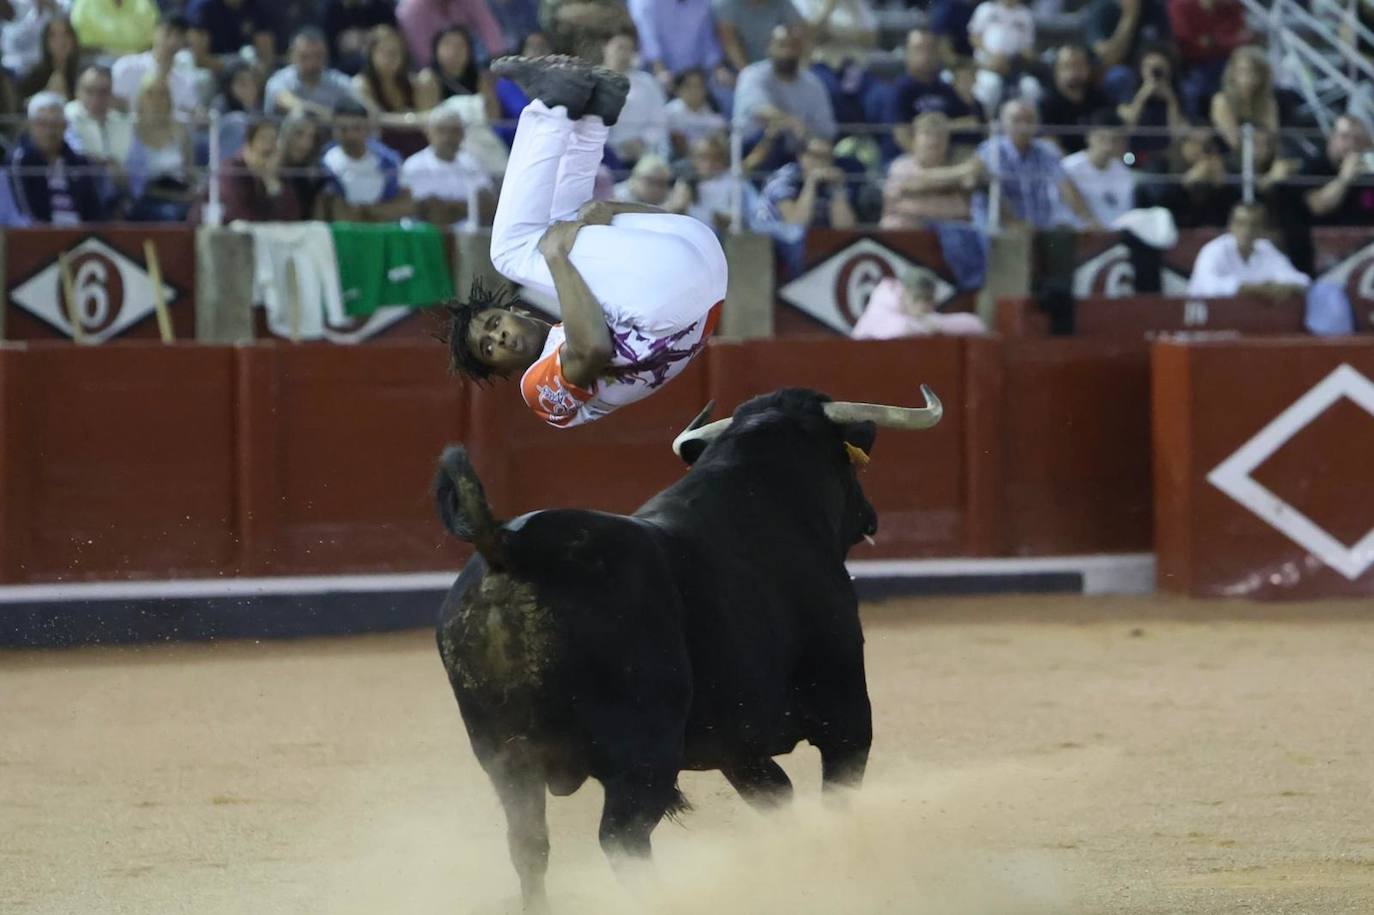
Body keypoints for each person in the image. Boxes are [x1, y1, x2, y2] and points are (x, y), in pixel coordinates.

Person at [443, 55, 727, 429]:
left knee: (569, 219)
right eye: (489, 348)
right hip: (680, 287)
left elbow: (599, 220)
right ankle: (553, 106)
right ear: (499, 370)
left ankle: (596, 112)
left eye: (495, 324)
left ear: (521, 311)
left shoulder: (577, 314)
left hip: (705, 266)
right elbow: (593, 348)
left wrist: (609, 210)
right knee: (511, 253)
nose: (501, 338)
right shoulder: (536, 390)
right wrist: (557, 256)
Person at [1182, 200, 1357, 337]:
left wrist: (1282, 288)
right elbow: (1210, 287)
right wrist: (1258, 289)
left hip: (1252, 327)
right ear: (1231, 225)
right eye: (1241, 223)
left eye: (1253, 224)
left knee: (1326, 290)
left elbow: (1300, 280)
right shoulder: (1214, 250)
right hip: (1207, 326)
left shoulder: (1265, 249)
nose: (1247, 230)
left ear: (1262, 229)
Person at [973, 98, 1098, 230]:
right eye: (1016, 120)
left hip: (1038, 231)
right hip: (1001, 230)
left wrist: (1088, 219)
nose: (1023, 126)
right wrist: (1015, 224)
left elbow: (1066, 186)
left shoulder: (1046, 151)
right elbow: (991, 192)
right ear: (1003, 123)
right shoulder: (990, 151)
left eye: (1029, 120)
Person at [732, 25, 836, 166]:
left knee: (850, 164)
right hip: (755, 149)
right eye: (781, 45)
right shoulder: (752, 74)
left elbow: (826, 129)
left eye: (792, 46)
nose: (787, 52)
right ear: (769, 48)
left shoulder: (813, 83)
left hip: (799, 152)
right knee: (775, 134)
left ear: (800, 49)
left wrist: (814, 141)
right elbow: (760, 110)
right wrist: (793, 123)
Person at [9, 91, 105, 223]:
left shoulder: (79, 163)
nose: (50, 131)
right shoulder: (21, 161)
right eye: (43, 124)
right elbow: (23, 210)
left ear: (65, 126)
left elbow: (93, 210)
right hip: (40, 236)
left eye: (55, 125)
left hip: (81, 236)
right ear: (31, 126)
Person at [880, 111, 981, 229]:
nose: (934, 140)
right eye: (927, 134)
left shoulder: (955, 164)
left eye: (940, 134)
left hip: (950, 232)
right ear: (914, 139)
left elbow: (965, 205)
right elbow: (917, 183)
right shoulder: (901, 165)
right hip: (906, 231)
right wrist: (960, 174)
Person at [399, 103, 495, 224]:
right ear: (429, 132)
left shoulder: (472, 162)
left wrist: (450, 208)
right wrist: (467, 206)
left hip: (468, 237)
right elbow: (427, 212)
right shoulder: (414, 165)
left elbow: (487, 204)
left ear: (462, 134)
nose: (447, 137)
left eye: (454, 131)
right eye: (441, 130)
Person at [320, 97, 412, 220]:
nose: (350, 135)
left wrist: (370, 212)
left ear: (368, 128)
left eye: (356, 128)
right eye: (343, 129)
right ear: (333, 129)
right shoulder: (324, 162)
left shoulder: (389, 160)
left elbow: (407, 204)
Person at [1166, 0, 1255, 118]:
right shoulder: (1180, 5)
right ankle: (1195, 125)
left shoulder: (1232, 6)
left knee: (1246, 73)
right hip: (1189, 64)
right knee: (1193, 88)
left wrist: (1213, 41)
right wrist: (1223, 41)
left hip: (1225, 62)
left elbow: (1245, 38)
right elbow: (1187, 44)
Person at [124, 77, 197, 221]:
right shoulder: (130, 131)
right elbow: (133, 182)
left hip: (181, 194)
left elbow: (190, 173)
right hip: (146, 197)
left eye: (162, 94)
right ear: (141, 99)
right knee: (170, 215)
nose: (157, 100)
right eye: (151, 94)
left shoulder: (181, 131)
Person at [352, 24, 427, 156]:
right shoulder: (362, 84)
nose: (391, 58)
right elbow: (377, 120)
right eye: (385, 53)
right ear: (371, 54)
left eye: (396, 53)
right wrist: (412, 119)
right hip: (381, 150)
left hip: (417, 149)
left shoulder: (414, 83)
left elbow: (427, 120)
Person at [600, 25, 667, 162]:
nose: (624, 54)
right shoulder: (592, 81)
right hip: (603, 153)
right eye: (619, 48)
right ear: (604, 47)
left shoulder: (647, 82)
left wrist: (642, 141)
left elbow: (660, 121)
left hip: (642, 151)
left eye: (629, 49)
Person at [851, 269, 985, 338]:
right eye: (918, 298)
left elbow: (976, 325)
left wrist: (936, 324)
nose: (924, 306)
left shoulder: (919, 317)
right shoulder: (882, 304)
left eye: (929, 299)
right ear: (904, 294)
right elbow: (902, 329)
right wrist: (929, 325)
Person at [111, 15, 200, 119]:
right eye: (168, 33)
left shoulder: (185, 80)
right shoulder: (127, 67)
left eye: (179, 36)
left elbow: (193, 113)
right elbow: (112, 105)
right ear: (155, 31)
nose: (172, 41)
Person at [64, 64, 132, 196]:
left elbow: (135, 165)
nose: (96, 98)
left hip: (122, 196)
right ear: (77, 92)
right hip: (79, 193)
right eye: (89, 91)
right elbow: (73, 155)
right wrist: (106, 164)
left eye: (103, 92)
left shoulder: (123, 122)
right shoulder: (66, 117)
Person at [1209, 46, 1293, 152]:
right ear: (1232, 72)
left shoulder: (1267, 102)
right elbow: (1234, 144)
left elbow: (1273, 141)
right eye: (1242, 71)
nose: (1248, 78)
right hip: (1231, 161)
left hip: (1263, 159)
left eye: (1255, 72)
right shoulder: (1221, 101)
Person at [219, 117, 304, 221]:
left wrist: (272, 183)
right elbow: (239, 215)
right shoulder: (232, 170)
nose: (269, 145)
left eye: (273, 139)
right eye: (263, 138)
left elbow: (293, 217)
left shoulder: (278, 172)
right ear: (249, 142)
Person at [1060, 109, 1133, 226]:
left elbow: (1124, 213)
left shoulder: (1123, 172)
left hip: (1115, 236)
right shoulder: (1067, 169)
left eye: (1115, 140)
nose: (1108, 146)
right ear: (1089, 136)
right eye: (1102, 138)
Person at [265, 27, 358, 117]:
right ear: (291, 55)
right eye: (304, 57)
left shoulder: (340, 83)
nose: (311, 63)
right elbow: (287, 102)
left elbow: (361, 111)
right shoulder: (279, 80)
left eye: (318, 56)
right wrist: (330, 115)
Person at [1301, 114, 1374, 226]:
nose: (1351, 144)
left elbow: (1368, 203)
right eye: (1344, 137)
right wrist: (1344, 178)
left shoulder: (1366, 170)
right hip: (1324, 233)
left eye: (1357, 139)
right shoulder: (1314, 165)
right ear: (1332, 138)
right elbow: (1318, 206)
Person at [1037, 44, 1110, 155]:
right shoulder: (1047, 103)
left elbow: (1110, 133)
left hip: (1095, 163)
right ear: (1056, 70)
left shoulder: (1100, 98)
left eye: (1078, 65)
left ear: (1088, 68)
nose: (1073, 72)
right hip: (1061, 164)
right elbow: (1048, 140)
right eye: (1067, 66)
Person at [1115, 45, 1183, 164]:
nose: (1154, 71)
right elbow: (1126, 126)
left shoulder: (1178, 94)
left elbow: (1178, 136)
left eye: (1159, 67)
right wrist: (1143, 95)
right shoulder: (1130, 92)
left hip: (1167, 157)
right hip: (1132, 156)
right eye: (1148, 66)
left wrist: (1171, 101)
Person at [628, 0, 722, 85]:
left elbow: (708, 38)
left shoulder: (702, 2)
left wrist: (717, 69)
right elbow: (648, 38)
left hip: (697, 73)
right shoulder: (644, 2)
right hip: (654, 71)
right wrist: (661, 71)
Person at [414, 25, 498, 117]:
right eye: (447, 45)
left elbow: (494, 116)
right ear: (436, 50)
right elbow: (426, 120)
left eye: (460, 46)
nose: (453, 51)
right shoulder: (428, 79)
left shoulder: (480, 78)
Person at [394, 0, 507, 69]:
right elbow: (423, 57)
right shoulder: (410, 11)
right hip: (428, 73)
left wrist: (499, 65)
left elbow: (490, 31)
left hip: (467, 64)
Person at [712, 0, 802, 70]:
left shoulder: (781, 3)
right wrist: (749, 75)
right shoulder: (725, 4)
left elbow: (799, 31)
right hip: (734, 68)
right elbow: (730, 44)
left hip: (775, 66)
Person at [186, 0, 274, 70]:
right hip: (212, 67)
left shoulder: (256, 6)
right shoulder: (205, 7)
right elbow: (199, 59)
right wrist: (229, 66)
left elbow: (266, 54)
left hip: (246, 65)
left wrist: (258, 70)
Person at [319, 0, 397, 75]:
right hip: (342, 67)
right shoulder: (331, 8)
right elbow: (329, 46)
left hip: (379, 59)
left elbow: (391, 33)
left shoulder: (380, 5)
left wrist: (365, 37)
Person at [209, 59, 265, 160]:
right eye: (243, 84)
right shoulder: (220, 108)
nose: (250, 89)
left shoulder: (256, 111)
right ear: (228, 86)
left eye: (253, 83)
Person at [664, 68, 726, 156]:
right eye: (689, 86)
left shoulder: (713, 113)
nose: (694, 90)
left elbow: (720, 142)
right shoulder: (669, 112)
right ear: (678, 90)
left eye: (699, 85)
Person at [2, 0, 68, 82]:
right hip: (13, 69)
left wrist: (50, 8)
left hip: (41, 69)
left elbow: (63, 26)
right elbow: (14, 42)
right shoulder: (21, 7)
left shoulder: (54, 8)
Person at [277, 109, 327, 216]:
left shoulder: (314, 177)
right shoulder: (267, 168)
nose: (304, 145)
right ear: (286, 133)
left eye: (311, 137)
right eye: (298, 134)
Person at [17, 15, 78, 101]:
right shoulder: (35, 75)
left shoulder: (85, 73)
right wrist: (47, 94)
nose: (61, 41)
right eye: (53, 36)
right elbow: (22, 104)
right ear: (45, 42)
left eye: (66, 34)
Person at [67, 0, 158, 57]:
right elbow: (83, 47)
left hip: (140, 62)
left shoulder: (144, 3)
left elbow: (154, 39)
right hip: (99, 63)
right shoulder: (84, 4)